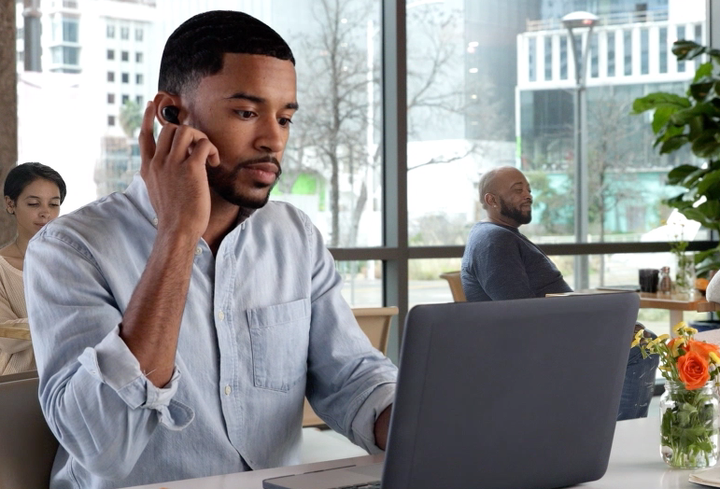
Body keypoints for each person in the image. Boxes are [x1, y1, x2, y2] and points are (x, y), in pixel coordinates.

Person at [24, 11, 397, 489]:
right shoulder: (70, 248)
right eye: (246, 113)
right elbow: (103, 447)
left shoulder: (294, 235)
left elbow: (351, 378)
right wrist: (178, 236)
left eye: (284, 117)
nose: (273, 139)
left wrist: (431, 423)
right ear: (172, 114)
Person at [461, 166, 659, 420]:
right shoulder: (494, 241)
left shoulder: (501, 236)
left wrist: (606, 320)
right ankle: (618, 441)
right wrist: (599, 325)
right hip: (535, 350)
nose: (528, 195)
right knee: (642, 348)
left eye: (529, 189)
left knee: (638, 336)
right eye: (517, 189)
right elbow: (522, 314)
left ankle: (601, 431)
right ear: (491, 200)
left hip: (551, 338)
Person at [0, 162, 66, 376]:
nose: (45, 213)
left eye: (53, 204)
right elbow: (7, 338)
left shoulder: (74, 264)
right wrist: (69, 314)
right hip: (16, 385)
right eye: (33, 204)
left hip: (68, 381)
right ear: (10, 204)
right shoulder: (2, 267)